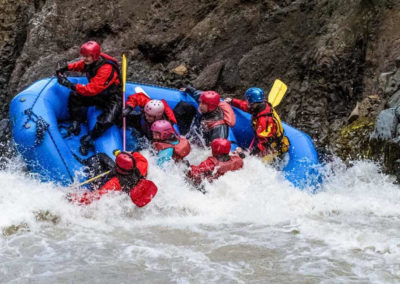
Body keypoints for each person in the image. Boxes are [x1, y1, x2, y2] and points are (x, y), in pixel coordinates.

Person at [56, 41, 122, 155]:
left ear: (95, 56)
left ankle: (89, 138)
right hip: (100, 95)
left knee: (107, 120)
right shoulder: (92, 61)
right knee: (75, 96)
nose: (85, 58)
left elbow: (91, 90)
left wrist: (70, 85)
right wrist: (66, 67)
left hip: (113, 97)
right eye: (84, 55)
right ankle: (77, 122)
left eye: (87, 56)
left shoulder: (106, 68)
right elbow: (81, 65)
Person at [69, 151, 158, 207]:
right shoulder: (140, 168)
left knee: (97, 158)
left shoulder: (114, 183)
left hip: (111, 183)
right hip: (126, 185)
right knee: (102, 157)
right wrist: (126, 154)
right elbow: (139, 156)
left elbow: (95, 196)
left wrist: (72, 198)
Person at [225, 87, 289, 162]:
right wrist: (233, 101)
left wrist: (248, 155)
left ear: (255, 103)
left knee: (250, 163)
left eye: (250, 103)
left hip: (274, 149)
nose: (248, 104)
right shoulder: (261, 105)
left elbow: (264, 145)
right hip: (267, 141)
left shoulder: (264, 121)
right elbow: (246, 106)